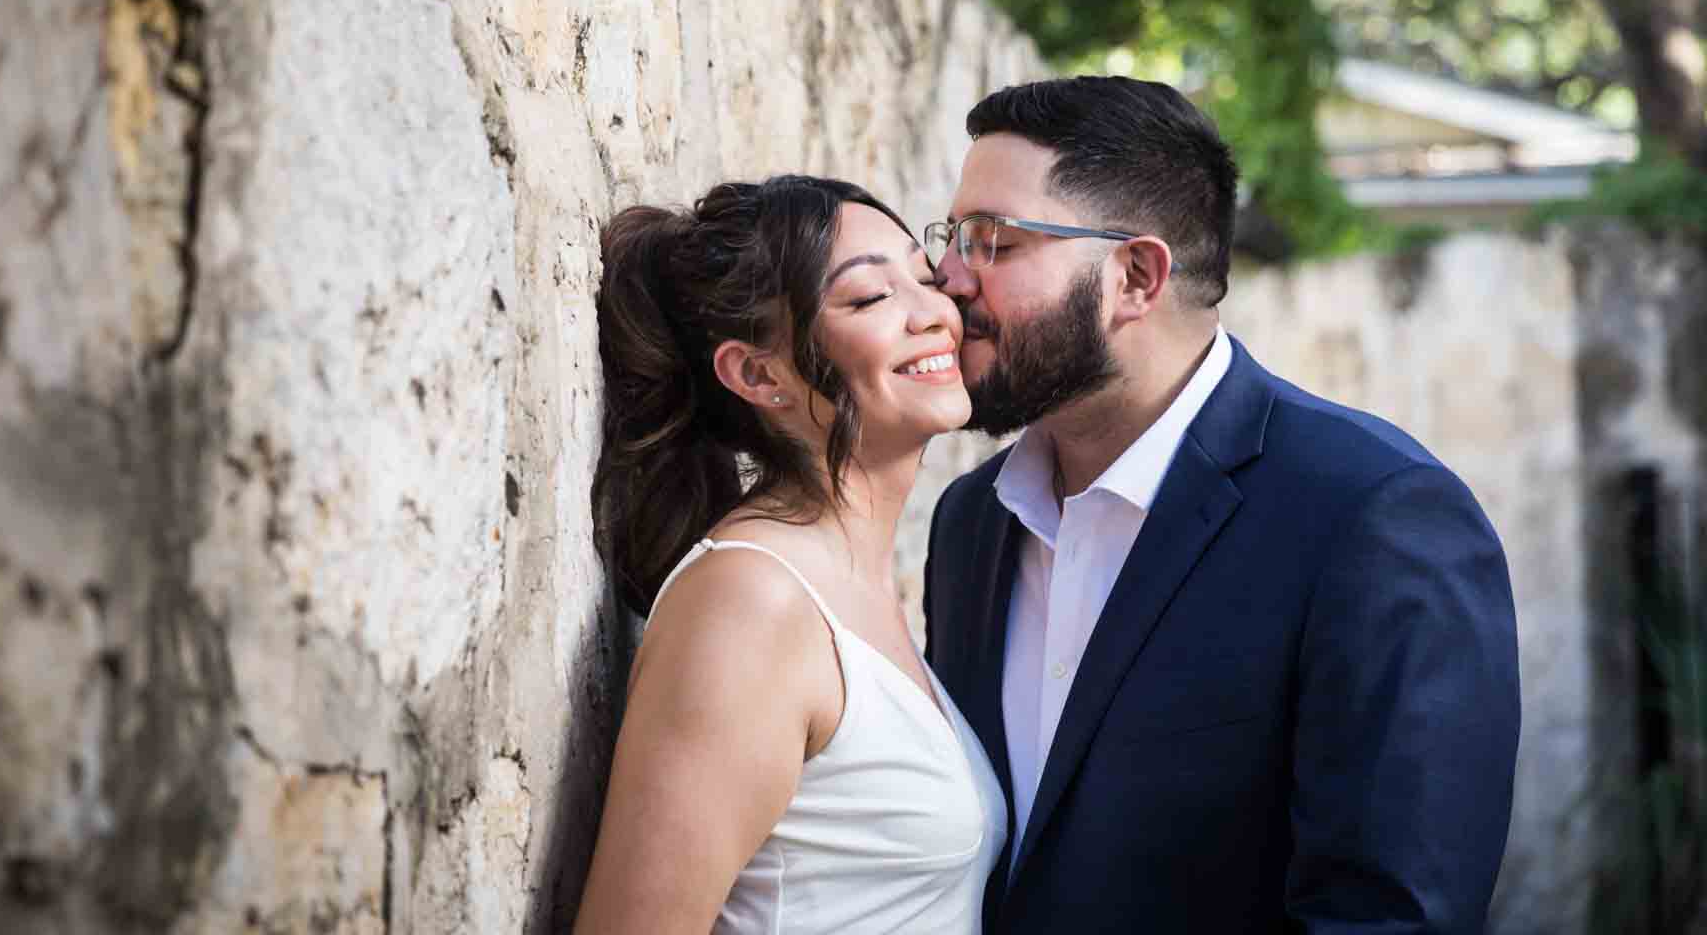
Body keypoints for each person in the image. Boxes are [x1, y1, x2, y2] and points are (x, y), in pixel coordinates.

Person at [921, 77, 1520, 933]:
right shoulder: (971, 522)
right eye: (953, 237)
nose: (946, 278)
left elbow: (1389, 916)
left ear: (1135, 276)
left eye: (993, 241)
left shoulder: (1373, 515)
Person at [575, 176, 1008, 934]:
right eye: (872, 298)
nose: (936, 313)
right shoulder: (751, 602)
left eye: (926, 276)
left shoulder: (858, 587)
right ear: (759, 373)